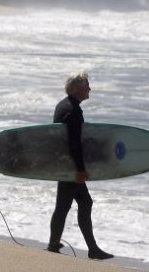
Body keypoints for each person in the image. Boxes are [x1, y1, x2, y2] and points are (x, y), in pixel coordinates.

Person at [46, 71, 114, 260]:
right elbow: (74, 142)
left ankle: (55, 243)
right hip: (71, 166)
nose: (89, 89)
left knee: (71, 204)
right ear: (76, 89)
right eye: (86, 86)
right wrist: (80, 169)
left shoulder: (63, 105)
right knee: (73, 204)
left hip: (64, 163)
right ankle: (90, 249)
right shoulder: (73, 110)